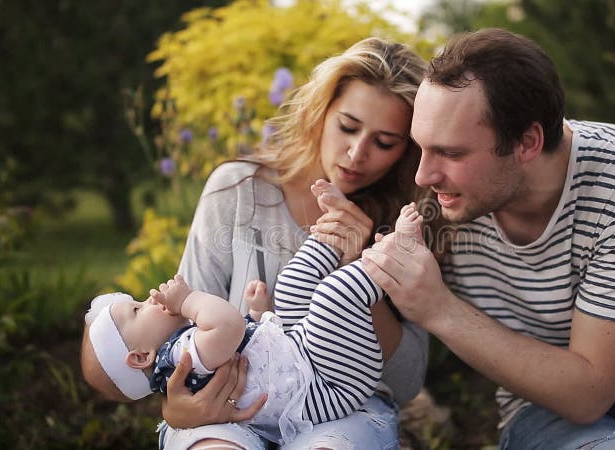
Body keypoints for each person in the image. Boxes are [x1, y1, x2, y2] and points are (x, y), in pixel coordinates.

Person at [362, 28, 615, 449]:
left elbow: (589, 391)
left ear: (527, 143)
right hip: (540, 412)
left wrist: (437, 307)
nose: (423, 175)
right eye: (420, 147)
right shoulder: (430, 198)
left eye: (452, 153)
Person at [159, 37, 430, 450]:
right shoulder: (238, 189)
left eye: (384, 142)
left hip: (343, 412)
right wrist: (175, 409)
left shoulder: (403, 221)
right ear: (321, 113)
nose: (357, 154)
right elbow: (180, 328)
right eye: (348, 127)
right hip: (230, 403)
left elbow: (406, 382)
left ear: (406, 150)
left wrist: (361, 266)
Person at [81, 194, 425, 447]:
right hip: (326, 386)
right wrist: (186, 300)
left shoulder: (190, 350)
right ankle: (395, 255)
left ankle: (328, 238)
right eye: (139, 309)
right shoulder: (181, 356)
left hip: (308, 363)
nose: (150, 298)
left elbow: (254, 354)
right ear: (141, 356)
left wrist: (260, 315)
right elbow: (227, 327)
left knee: (290, 287)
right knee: (330, 295)